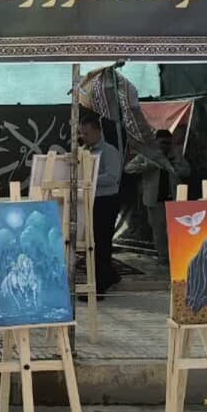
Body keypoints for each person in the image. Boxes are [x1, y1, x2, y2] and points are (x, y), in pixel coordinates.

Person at [125, 129, 192, 262]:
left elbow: (187, 171)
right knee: (158, 229)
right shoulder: (147, 154)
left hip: (173, 198)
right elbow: (128, 168)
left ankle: (176, 257)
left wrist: (173, 167)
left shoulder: (176, 155)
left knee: (175, 229)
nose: (165, 146)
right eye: (162, 143)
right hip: (154, 199)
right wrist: (147, 166)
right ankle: (163, 256)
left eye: (168, 143)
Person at [78, 114, 123, 298]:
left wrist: (89, 178)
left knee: (101, 243)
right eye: (81, 133)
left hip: (106, 201)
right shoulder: (84, 151)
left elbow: (113, 176)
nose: (83, 137)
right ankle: (109, 275)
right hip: (91, 201)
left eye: (87, 133)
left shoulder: (109, 151)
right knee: (92, 242)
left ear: (97, 131)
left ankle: (99, 286)